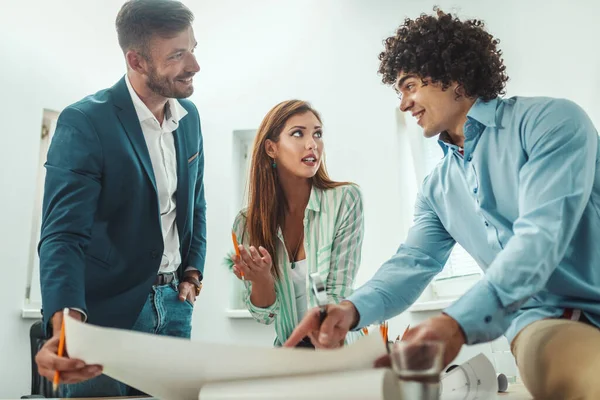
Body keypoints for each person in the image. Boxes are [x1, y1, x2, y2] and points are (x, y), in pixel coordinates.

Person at [285, 8, 600, 399]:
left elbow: (540, 237)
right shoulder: (436, 188)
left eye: (410, 85)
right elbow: (410, 264)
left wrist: (456, 324)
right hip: (541, 325)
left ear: (453, 76)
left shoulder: (549, 122)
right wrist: (351, 310)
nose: (403, 104)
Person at [34, 0, 206, 396]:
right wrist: (66, 317)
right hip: (105, 316)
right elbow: (63, 234)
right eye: (178, 55)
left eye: (194, 49)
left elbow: (194, 202)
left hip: (175, 307)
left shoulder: (190, 118)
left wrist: (193, 272)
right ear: (137, 60)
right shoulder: (85, 121)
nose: (194, 65)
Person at [231, 99, 364, 347]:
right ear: (271, 148)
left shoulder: (345, 200)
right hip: (290, 353)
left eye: (318, 134)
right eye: (298, 134)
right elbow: (264, 315)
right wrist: (262, 279)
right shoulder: (245, 224)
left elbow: (337, 291)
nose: (312, 143)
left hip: (337, 349)